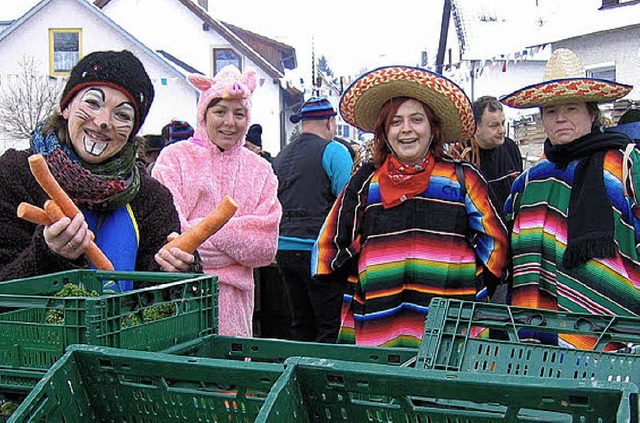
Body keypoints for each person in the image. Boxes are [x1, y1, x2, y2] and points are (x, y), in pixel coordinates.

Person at [311, 65, 509, 348]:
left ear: (432, 128)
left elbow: (497, 245)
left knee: (445, 392)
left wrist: (465, 284)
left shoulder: (462, 178)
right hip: (379, 324)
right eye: (395, 121)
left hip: (451, 330)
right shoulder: (366, 181)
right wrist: (369, 280)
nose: (406, 129)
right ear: (384, 131)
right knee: (382, 392)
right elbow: (328, 248)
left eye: (417, 119)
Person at [0, 50, 199, 284]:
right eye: (93, 103)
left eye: (122, 115)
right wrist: (48, 254)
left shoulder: (152, 198)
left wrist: (179, 270)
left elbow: (157, 298)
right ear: (67, 107)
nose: (103, 121)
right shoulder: (14, 175)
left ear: (133, 130)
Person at [500, 48, 637, 350]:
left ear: (592, 112)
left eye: (571, 108)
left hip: (613, 334)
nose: (560, 118)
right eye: (551, 111)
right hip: (536, 331)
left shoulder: (625, 165)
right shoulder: (529, 181)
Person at [152, 65, 281, 337]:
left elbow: (265, 248)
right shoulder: (174, 160)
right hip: (179, 299)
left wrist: (198, 230)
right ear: (203, 113)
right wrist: (238, 240)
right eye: (219, 111)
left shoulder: (260, 171)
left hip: (236, 309)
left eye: (239, 113)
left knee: (231, 376)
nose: (229, 122)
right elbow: (171, 239)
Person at [272, 97, 354, 343]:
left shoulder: (281, 156)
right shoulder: (333, 150)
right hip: (319, 252)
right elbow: (348, 203)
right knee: (329, 328)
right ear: (330, 122)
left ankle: (299, 375)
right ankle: (325, 377)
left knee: (301, 324)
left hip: (283, 251)